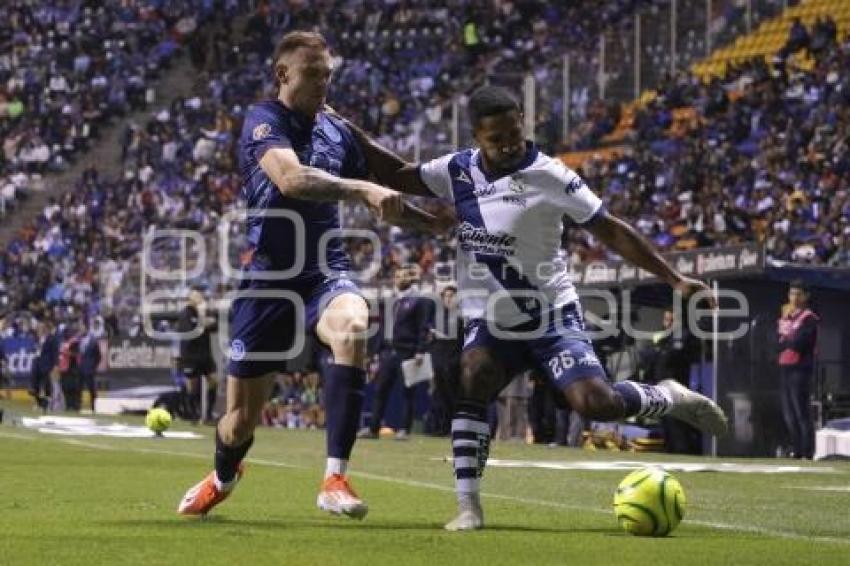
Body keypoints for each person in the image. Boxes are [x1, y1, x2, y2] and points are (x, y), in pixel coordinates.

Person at [339, 85, 727, 530]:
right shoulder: (457, 170)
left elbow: (612, 231)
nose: (508, 145)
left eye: (513, 133)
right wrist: (344, 129)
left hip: (551, 316)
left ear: (522, 121)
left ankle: (668, 396)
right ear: (477, 137)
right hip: (489, 319)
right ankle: (468, 505)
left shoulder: (552, 175)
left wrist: (674, 278)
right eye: (496, 139)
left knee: (595, 404)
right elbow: (398, 174)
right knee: (474, 377)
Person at [177, 31, 440, 519]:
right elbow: (292, 180)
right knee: (237, 423)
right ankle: (223, 475)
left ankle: (334, 477)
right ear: (283, 75)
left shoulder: (338, 128)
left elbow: (396, 177)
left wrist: (440, 220)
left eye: (328, 75)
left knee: (353, 328)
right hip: (268, 281)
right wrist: (362, 190)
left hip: (324, 272)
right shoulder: (263, 120)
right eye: (312, 74)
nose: (323, 84)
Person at [359, 264, 434, 440]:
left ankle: (404, 429)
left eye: (404, 276)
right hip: (388, 351)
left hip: (407, 351)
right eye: (397, 276)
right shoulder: (392, 300)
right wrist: (375, 352)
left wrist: (420, 351)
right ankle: (373, 429)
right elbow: (384, 328)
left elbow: (424, 327)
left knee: (408, 392)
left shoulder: (419, 301)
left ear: (411, 279)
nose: (399, 279)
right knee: (380, 390)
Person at [644, 309, 702, 455]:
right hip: (660, 384)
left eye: (671, 320)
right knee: (665, 418)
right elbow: (652, 357)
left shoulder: (684, 335)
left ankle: (682, 449)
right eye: (666, 319)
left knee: (676, 419)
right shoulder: (662, 338)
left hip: (677, 384)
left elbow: (681, 356)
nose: (667, 323)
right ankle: (670, 447)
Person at [777, 280, 819, 459]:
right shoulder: (786, 317)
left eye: (798, 294)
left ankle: (807, 451)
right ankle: (796, 449)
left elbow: (799, 343)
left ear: (805, 296)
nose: (794, 298)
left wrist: (786, 338)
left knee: (801, 411)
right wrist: (786, 338)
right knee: (789, 413)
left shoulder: (809, 318)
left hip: (800, 369)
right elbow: (777, 342)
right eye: (791, 294)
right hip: (785, 367)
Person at [176, 287, 218, 422]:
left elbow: (214, 326)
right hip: (191, 356)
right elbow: (190, 332)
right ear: (190, 297)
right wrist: (203, 324)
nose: (200, 297)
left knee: (213, 381)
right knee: (192, 386)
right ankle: (192, 413)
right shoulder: (185, 314)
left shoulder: (202, 312)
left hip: (205, 354)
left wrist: (204, 320)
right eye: (197, 295)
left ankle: (209, 413)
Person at [426, 284, 462, 436]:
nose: (448, 299)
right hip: (438, 361)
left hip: (453, 361)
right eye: (446, 296)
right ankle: (442, 427)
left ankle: (455, 428)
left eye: (451, 296)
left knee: (452, 396)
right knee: (439, 395)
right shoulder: (437, 316)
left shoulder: (461, 316)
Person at [78, 320, 102, 413]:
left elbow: (98, 356)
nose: (81, 329)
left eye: (82, 328)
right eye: (80, 328)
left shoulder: (93, 341)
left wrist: (93, 366)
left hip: (89, 368)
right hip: (80, 368)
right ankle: (78, 406)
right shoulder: (79, 339)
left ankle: (94, 407)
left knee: (91, 388)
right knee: (79, 388)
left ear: (87, 329)